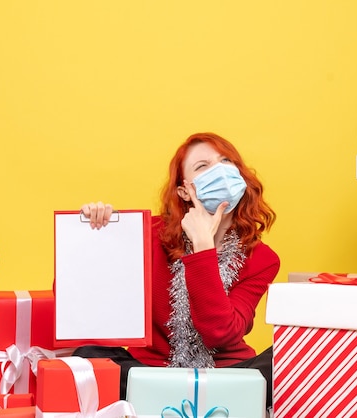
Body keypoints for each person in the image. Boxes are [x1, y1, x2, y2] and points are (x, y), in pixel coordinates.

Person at [75, 132, 280, 407]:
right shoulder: (148, 234)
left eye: (226, 161)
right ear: (184, 190)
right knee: (87, 356)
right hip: (150, 371)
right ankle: (194, 400)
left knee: (286, 361)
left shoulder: (263, 259)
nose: (219, 170)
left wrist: (203, 247)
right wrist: (96, 237)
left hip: (229, 373)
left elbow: (219, 332)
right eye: (203, 166)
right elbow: (77, 301)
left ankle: (168, 400)